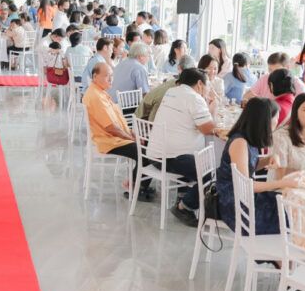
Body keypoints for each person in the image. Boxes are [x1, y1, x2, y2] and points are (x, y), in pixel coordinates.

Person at [215, 98, 300, 235]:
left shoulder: (247, 139)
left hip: (243, 197)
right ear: (265, 120)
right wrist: (282, 183)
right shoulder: (240, 143)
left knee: (287, 208)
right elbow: (246, 186)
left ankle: (282, 247)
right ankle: (276, 248)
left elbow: (249, 166)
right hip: (236, 205)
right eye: (276, 119)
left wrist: (268, 159)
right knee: (288, 216)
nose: (277, 122)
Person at [148, 68, 217, 228]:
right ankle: (184, 207)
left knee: (193, 158)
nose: (208, 89)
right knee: (212, 173)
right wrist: (213, 108)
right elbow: (208, 129)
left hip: (156, 154)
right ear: (199, 84)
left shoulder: (172, 91)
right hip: (172, 158)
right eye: (207, 85)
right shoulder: (194, 98)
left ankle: (183, 196)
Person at [83, 62, 151, 198]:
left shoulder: (100, 92)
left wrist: (131, 133)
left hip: (115, 137)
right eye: (107, 76)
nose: (111, 79)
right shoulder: (95, 96)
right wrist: (132, 138)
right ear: (95, 76)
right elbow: (110, 127)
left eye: (112, 76)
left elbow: (116, 120)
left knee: (149, 145)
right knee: (146, 153)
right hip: (109, 141)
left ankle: (136, 184)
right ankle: (134, 187)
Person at [138, 55, 198, 121]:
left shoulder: (170, 83)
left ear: (178, 68)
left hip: (140, 119)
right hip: (151, 123)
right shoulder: (180, 89)